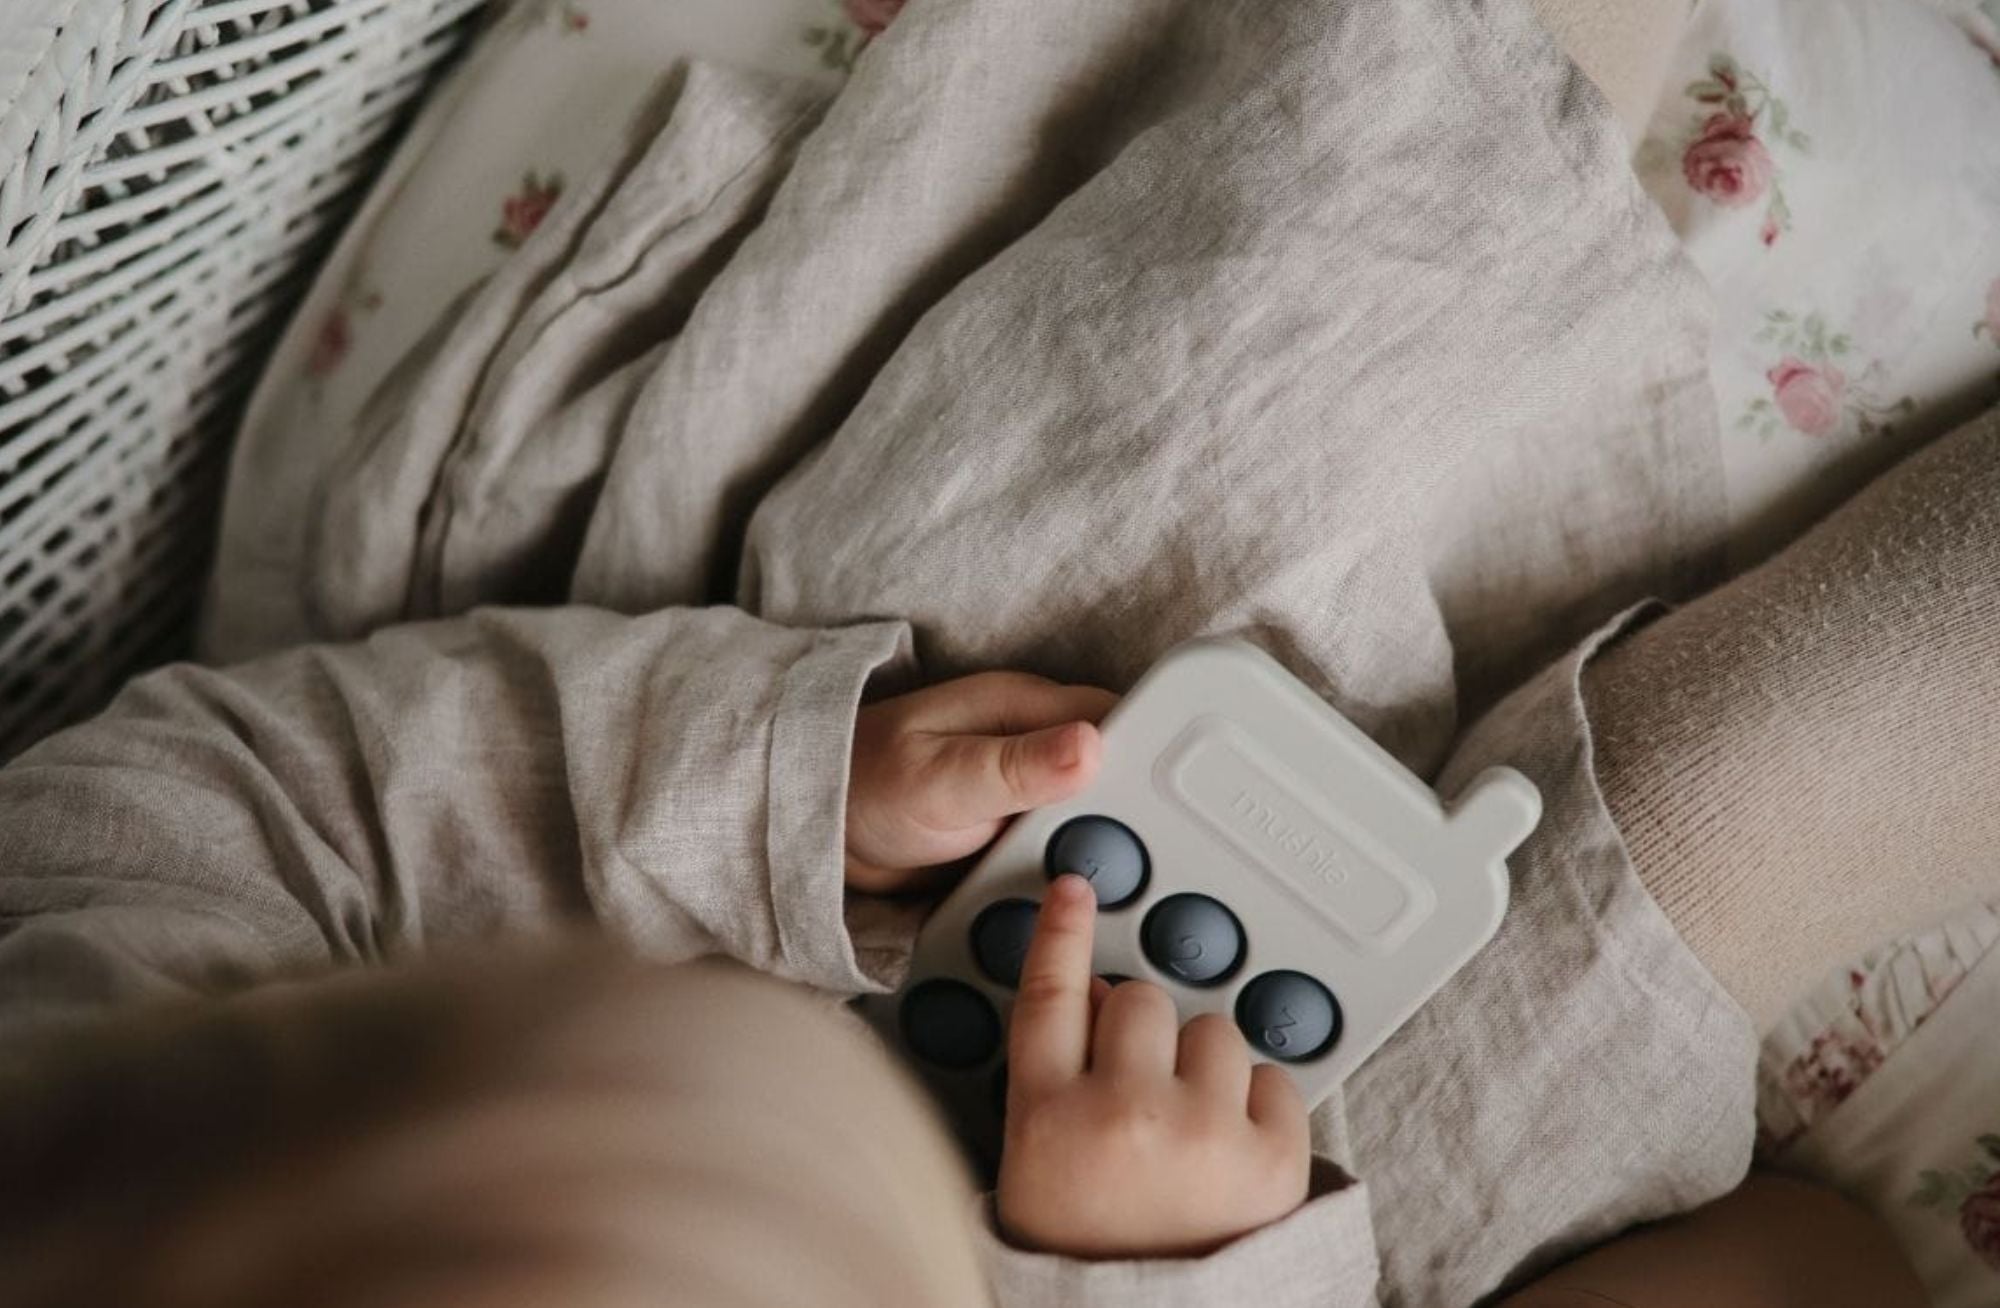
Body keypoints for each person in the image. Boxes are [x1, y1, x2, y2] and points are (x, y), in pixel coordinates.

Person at [4, 402, 1994, 1304]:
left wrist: (790, 792)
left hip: (937, 808)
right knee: (1730, 796)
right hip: (1267, 1236)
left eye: (584, 1006)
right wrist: (1184, 1266)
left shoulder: (78, 1064)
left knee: (1229, 409)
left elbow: (218, 803)